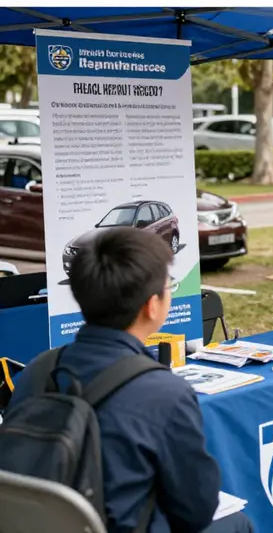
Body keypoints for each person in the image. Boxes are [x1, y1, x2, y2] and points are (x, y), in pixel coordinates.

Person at [7, 228, 251, 533]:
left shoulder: (37, 370)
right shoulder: (165, 393)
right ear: (152, 305)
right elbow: (196, 511)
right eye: (168, 285)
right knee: (238, 523)